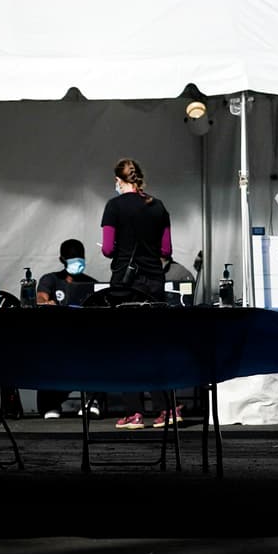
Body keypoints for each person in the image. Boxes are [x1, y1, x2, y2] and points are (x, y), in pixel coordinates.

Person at [100, 157, 175, 430]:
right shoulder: (158, 206)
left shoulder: (114, 206)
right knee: (156, 346)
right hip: (154, 282)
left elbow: (108, 248)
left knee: (127, 347)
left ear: (119, 181)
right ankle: (167, 409)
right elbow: (166, 251)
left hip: (125, 284)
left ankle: (134, 414)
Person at [35, 238, 102, 419]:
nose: (77, 263)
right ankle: (51, 403)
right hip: (56, 337)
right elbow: (41, 297)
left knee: (96, 351)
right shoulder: (51, 279)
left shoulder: (91, 284)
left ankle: (91, 400)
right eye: (72, 259)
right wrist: (46, 303)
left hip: (83, 338)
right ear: (62, 259)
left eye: (80, 258)